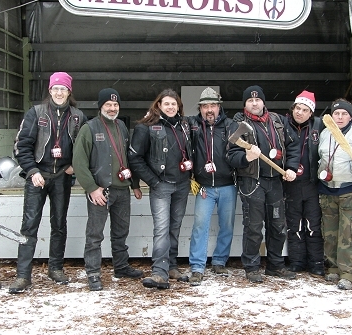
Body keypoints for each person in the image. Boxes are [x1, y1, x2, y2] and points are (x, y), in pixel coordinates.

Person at [9, 72, 85, 294]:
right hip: (38, 177)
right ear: (50, 91)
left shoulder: (78, 117)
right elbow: (21, 146)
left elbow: (84, 148)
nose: (59, 92)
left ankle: (56, 267)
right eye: (56, 89)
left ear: (69, 92)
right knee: (29, 225)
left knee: (59, 224)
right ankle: (23, 275)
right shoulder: (36, 113)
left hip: (62, 176)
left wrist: (74, 166)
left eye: (63, 89)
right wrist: (32, 170)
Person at [226, 85, 300, 283]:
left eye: (258, 100)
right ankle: (251, 267)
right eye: (250, 101)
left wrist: (291, 167)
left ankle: (275, 265)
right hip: (252, 183)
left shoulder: (278, 121)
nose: (254, 103)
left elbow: (293, 145)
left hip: (275, 181)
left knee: (277, 226)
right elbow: (231, 155)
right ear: (245, 104)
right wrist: (246, 157)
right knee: (253, 226)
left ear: (263, 102)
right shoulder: (238, 124)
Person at [73, 88, 143, 291]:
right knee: (95, 235)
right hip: (100, 191)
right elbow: (79, 162)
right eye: (108, 105)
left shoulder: (121, 126)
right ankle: (93, 273)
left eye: (115, 105)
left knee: (121, 232)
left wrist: (135, 184)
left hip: (122, 189)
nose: (112, 108)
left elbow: (129, 158)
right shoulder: (89, 128)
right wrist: (92, 188)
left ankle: (120, 267)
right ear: (101, 106)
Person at [129, 89, 192, 289]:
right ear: (159, 105)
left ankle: (171, 266)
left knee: (175, 227)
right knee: (162, 229)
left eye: (174, 104)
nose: (171, 107)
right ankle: (159, 272)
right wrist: (153, 182)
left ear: (178, 106)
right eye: (167, 104)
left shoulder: (184, 126)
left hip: (182, 184)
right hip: (161, 185)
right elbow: (135, 158)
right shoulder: (146, 127)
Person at [318, 99, 352, 291]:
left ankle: (348, 272)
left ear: (350, 116)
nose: (339, 117)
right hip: (327, 189)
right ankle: (332, 267)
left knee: (348, 232)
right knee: (330, 232)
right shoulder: (324, 134)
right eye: (336, 114)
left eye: (344, 114)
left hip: (348, 188)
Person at [187, 88, 236, 286]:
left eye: (213, 106)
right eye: (205, 106)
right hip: (204, 186)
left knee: (227, 225)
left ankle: (219, 261)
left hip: (227, 185)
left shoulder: (231, 126)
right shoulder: (192, 126)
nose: (209, 110)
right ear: (200, 108)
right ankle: (197, 266)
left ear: (219, 107)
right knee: (200, 226)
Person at [283, 91, 325, 276]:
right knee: (294, 225)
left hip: (311, 183)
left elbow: (343, 125)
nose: (299, 112)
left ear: (311, 113)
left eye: (304, 110)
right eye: (297, 108)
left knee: (313, 225)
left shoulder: (319, 125)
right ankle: (296, 261)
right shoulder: (282, 125)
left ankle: (316, 262)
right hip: (290, 184)